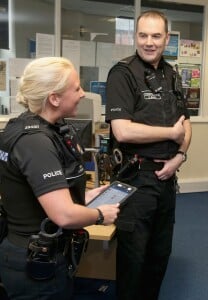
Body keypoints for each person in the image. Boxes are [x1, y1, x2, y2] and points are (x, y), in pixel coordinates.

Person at [0, 56, 120, 300]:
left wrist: (83, 197)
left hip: (36, 252)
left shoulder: (23, 126)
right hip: (34, 262)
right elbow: (63, 215)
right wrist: (100, 214)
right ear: (54, 98)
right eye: (76, 88)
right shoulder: (36, 143)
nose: (83, 93)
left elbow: (39, 196)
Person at [105, 10, 192, 300]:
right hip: (137, 179)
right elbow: (123, 131)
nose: (149, 42)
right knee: (134, 261)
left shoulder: (171, 74)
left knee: (159, 257)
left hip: (167, 179)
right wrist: (170, 135)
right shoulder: (122, 73)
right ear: (135, 37)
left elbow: (185, 124)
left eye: (156, 36)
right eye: (143, 35)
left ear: (167, 38)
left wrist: (180, 155)